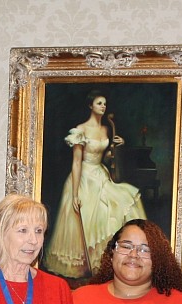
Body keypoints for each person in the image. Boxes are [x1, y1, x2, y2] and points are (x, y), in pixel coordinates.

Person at [44, 90, 147, 279]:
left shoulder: (107, 129)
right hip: (83, 178)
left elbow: (105, 157)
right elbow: (76, 162)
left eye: (105, 103)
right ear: (90, 106)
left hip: (100, 174)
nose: (103, 106)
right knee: (87, 219)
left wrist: (116, 147)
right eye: (99, 103)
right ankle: (86, 265)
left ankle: (104, 264)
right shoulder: (80, 129)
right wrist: (75, 193)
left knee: (116, 208)